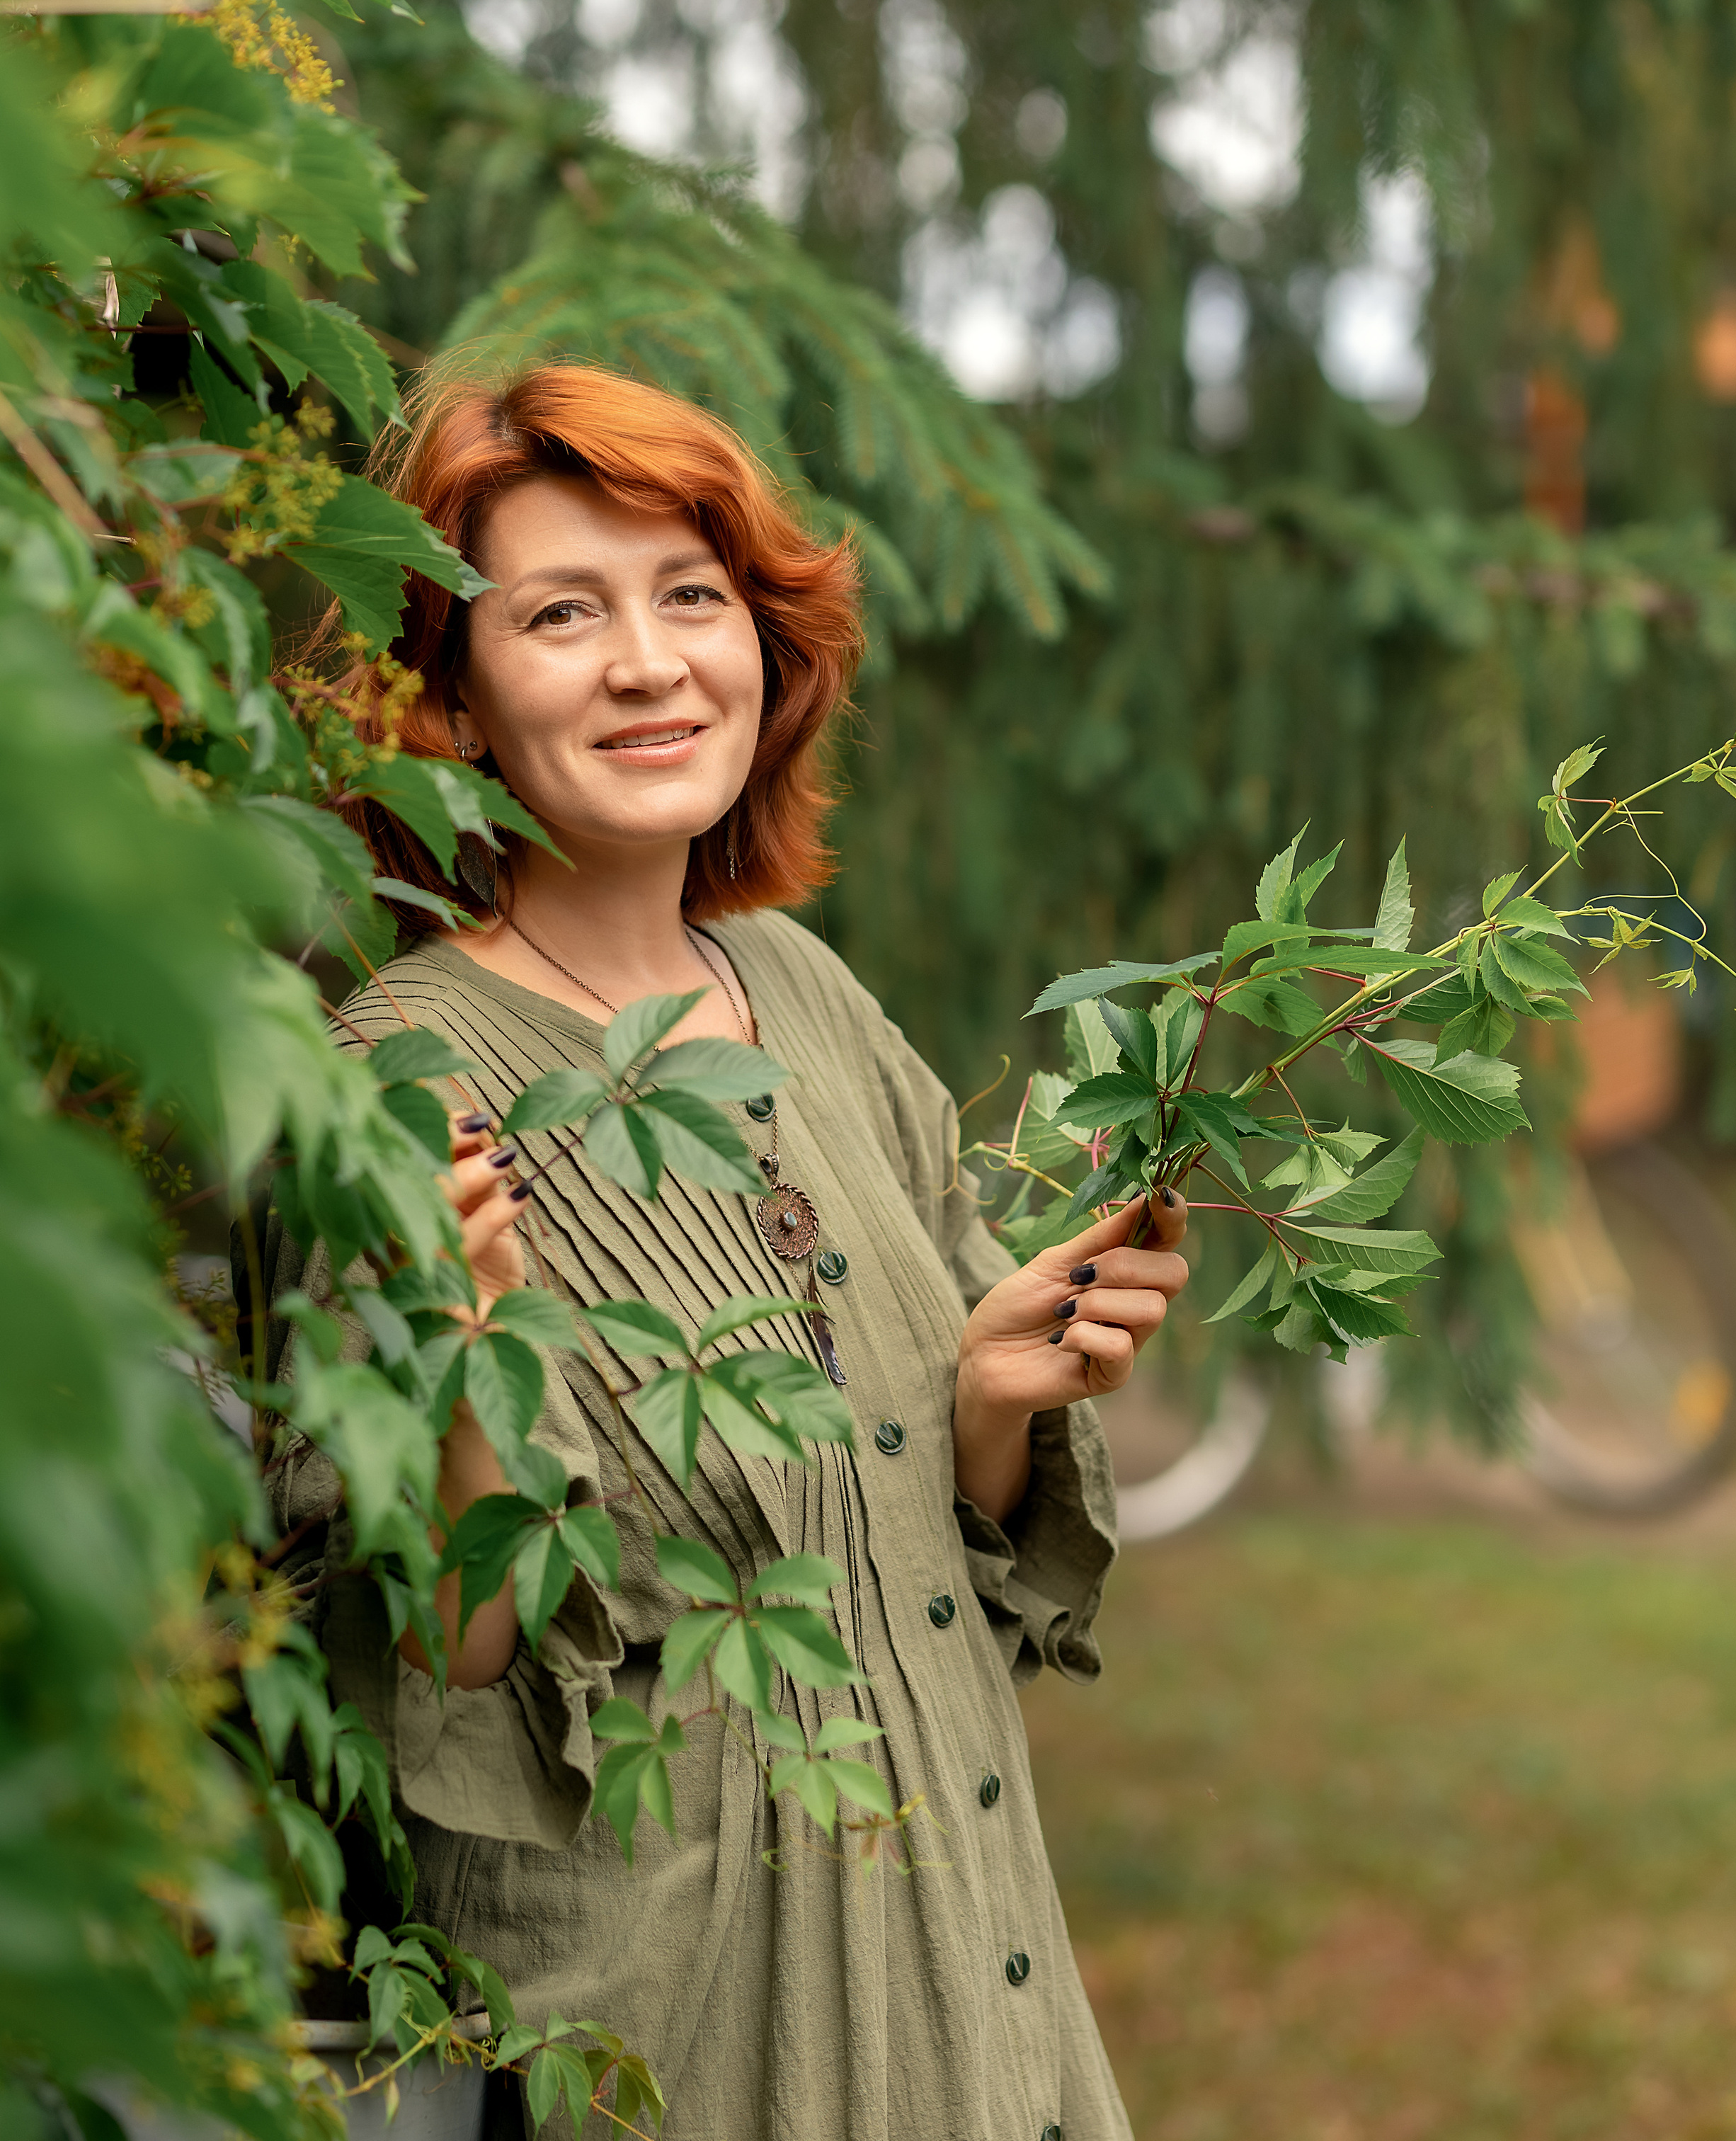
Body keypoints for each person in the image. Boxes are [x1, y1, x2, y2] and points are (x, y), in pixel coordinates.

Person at [265, 359, 1189, 2140]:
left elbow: (922, 1568)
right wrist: (463, 1358)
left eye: (692, 595)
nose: (648, 660)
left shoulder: (810, 1003)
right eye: (559, 612)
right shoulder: (400, 1078)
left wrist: (989, 1395)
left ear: (765, 649)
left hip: (980, 1994)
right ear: (449, 701)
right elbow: (434, 1684)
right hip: (701, 2035)